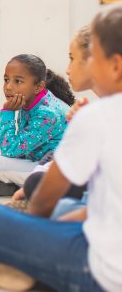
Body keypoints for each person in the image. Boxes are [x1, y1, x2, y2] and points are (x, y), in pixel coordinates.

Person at [0, 6, 122, 292]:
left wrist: (21, 236)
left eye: (92, 57)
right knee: (67, 206)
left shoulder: (96, 116)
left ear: (116, 66)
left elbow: (41, 203)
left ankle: (26, 266)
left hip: (104, 278)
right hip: (91, 223)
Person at [0, 54, 74, 197]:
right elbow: (16, 147)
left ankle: (11, 185)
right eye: (6, 80)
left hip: (54, 171)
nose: (8, 87)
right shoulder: (28, 101)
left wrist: (7, 113)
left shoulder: (47, 114)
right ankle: (8, 182)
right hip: (33, 156)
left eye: (18, 81)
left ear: (38, 86)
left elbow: (9, 150)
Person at [12, 26, 94, 213]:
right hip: (49, 167)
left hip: (96, 217)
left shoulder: (51, 112)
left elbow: (12, 150)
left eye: (72, 59)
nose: (67, 70)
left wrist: (6, 113)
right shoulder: (89, 111)